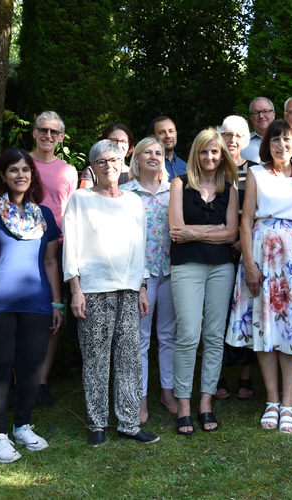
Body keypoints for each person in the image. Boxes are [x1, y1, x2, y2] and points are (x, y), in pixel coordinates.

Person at [0, 147, 62, 462]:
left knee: (32, 366)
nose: (21, 175)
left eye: (26, 170)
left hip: (36, 303)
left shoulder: (44, 215)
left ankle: (22, 426)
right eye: (14, 170)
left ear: (32, 175)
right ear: (2, 177)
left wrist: (57, 304)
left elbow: (50, 262)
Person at [226, 119, 292, 434]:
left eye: (288, 140)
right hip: (262, 260)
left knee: (290, 330)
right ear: (268, 144)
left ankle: (289, 404)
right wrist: (249, 264)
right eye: (276, 140)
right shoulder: (255, 173)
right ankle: (271, 401)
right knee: (264, 329)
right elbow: (246, 220)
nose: (282, 145)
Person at [64, 139, 159, 446]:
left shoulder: (133, 201)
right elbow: (71, 247)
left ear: (123, 164)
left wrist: (142, 286)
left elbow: (140, 247)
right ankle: (97, 424)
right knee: (96, 358)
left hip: (129, 291)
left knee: (129, 357)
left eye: (114, 161)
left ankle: (129, 423)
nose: (109, 166)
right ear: (92, 167)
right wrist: (75, 290)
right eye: (101, 162)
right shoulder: (80, 199)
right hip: (93, 290)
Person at [168, 128, 239, 435]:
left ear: (222, 155)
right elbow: (175, 230)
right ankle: (183, 405)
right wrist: (216, 232)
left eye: (215, 152)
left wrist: (195, 233)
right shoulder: (179, 184)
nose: (210, 157)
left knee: (213, 335)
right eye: (204, 151)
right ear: (195, 154)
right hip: (187, 267)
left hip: (222, 268)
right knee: (187, 335)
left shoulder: (230, 188)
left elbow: (233, 234)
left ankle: (205, 403)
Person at [121, 137, 177, 422]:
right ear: (137, 159)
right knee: (140, 339)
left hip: (171, 271)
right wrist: (140, 281)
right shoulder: (125, 193)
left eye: (159, 152)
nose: (154, 156)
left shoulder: (174, 191)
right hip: (140, 277)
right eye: (148, 152)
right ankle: (140, 398)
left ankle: (167, 392)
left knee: (168, 336)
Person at [28, 111, 78, 410]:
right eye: (43, 130)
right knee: (21, 314)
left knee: (52, 317)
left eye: (54, 132)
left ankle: (42, 383)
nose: (48, 136)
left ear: (61, 137)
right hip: (21, 247)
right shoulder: (21, 163)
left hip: (57, 250)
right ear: (34, 132)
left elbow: (72, 213)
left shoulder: (69, 171)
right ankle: (22, 382)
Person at [216, 115, 259, 400]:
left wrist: (244, 244)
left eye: (238, 136)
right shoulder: (210, 167)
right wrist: (228, 238)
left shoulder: (256, 171)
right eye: (227, 135)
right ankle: (216, 375)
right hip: (218, 248)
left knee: (249, 311)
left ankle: (246, 375)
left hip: (249, 248)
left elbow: (260, 212)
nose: (232, 140)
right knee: (217, 313)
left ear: (247, 141)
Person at [79, 124, 134, 189]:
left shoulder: (136, 174)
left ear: (129, 145)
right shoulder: (92, 171)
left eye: (123, 141)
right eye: (113, 140)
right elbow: (85, 198)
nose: (118, 145)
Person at [242, 97, 276, 163]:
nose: (261, 116)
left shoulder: (286, 141)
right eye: (256, 113)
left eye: (265, 111)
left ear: (273, 114)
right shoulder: (242, 144)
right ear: (251, 118)